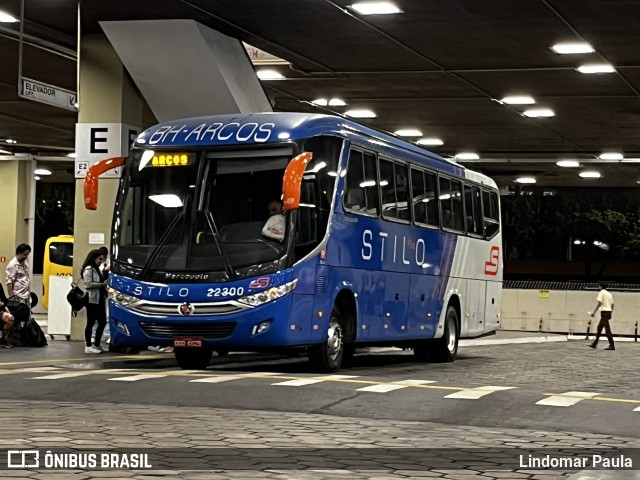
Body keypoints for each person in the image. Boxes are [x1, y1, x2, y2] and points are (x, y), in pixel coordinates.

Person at [81, 249, 108, 354]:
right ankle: (88, 345)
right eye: (99, 259)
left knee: (102, 322)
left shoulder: (96, 269)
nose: (101, 261)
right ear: (94, 258)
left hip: (99, 299)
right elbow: (88, 284)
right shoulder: (89, 269)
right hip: (92, 299)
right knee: (91, 322)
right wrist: (102, 284)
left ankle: (97, 344)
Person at [91, 246, 111, 345]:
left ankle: (107, 335)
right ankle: (93, 336)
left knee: (107, 316)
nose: (102, 260)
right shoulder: (95, 266)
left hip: (106, 293)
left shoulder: (109, 264)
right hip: (99, 292)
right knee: (96, 316)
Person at [589, 283, 615, 351]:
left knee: (607, 329)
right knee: (599, 327)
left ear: (601, 287)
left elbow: (599, 303)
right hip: (608, 311)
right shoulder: (609, 294)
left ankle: (612, 345)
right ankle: (594, 344)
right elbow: (612, 304)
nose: (598, 287)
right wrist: (610, 313)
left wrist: (594, 312)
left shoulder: (601, 293)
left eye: (599, 286)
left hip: (604, 312)